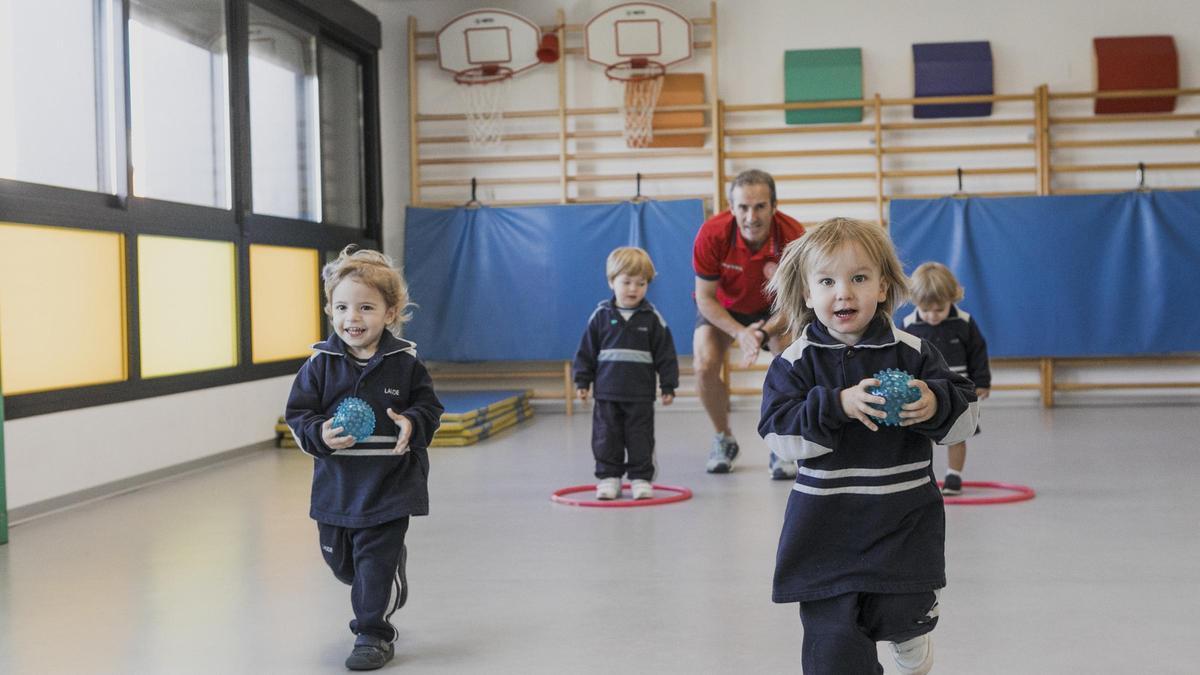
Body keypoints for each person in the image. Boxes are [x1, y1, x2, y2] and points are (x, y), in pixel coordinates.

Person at [758, 218, 979, 675]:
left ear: (882, 288)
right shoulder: (794, 363)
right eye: (827, 281)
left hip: (902, 525)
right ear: (806, 293)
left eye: (859, 278)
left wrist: (935, 402)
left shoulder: (914, 351)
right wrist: (836, 405)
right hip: (825, 534)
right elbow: (780, 440)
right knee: (833, 652)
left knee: (902, 610)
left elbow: (966, 421)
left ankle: (910, 631)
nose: (844, 292)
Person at [285, 245, 443, 671]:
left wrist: (412, 422)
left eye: (366, 307)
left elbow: (430, 409)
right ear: (330, 310)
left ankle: (373, 632)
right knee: (342, 564)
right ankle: (382, 573)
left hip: (390, 485)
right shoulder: (320, 363)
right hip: (337, 488)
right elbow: (298, 414)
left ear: (390, 313)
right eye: (342, 307)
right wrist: (319, 433)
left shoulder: (405, 362)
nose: (352, 318)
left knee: (374, 566)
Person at [692, 169, 805, 478]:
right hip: (724, 310)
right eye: (743, 207)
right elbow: (705, 298)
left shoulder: (793, 236)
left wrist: (762, 331)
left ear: (774, 206)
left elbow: (794, 301)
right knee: (703, 364)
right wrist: (740, 333)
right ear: (732, 208)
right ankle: (724, 438)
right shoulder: (712, 234)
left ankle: (780, 441)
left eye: (759, 207)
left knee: (789, 362)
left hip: (774, 308)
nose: (751, 216)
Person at [574, 247, 679, 500]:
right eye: (627, 282)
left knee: (640, 438)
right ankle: (609, 478)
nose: (633, 289)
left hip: (640, 395)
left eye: (641, 283)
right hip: (607, 395)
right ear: (611, 282)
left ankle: (640, 478)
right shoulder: (600, 317)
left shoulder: (652, 319)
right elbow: (586, 352)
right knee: (606, 437)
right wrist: (582, 381)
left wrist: (668, 385)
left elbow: (665, 354)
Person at [900, 262, 992, 496]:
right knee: (922, 435)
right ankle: (923, 475)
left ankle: (954, 476)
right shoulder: (909, 326)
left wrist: (981, 382)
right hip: (923, 392)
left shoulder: (964, 323)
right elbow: (901, 358)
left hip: (957, 390)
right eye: (926, 309)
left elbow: (978, 353)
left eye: (939, 309)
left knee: (956, 434)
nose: (932, 316)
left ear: (952, 298)